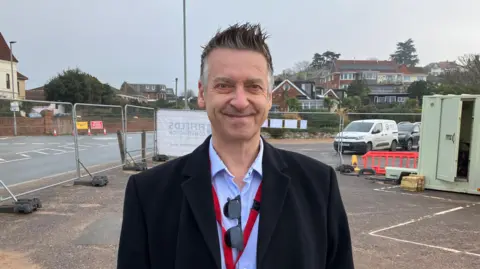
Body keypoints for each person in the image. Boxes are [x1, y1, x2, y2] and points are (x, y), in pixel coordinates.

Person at [117, 23, 354, 269]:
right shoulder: (148, 193)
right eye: (224, 85)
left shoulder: (318, 185)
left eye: (253, 86)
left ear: (269, 96)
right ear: (202, 93)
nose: (240, 102)